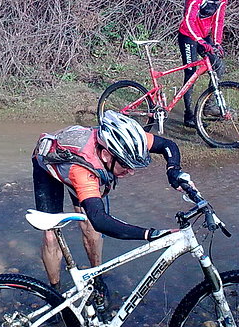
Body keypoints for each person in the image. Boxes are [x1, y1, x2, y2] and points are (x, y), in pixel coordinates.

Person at [32, 110, 193, 299]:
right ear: (108, 155)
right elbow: (101, 220)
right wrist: (149, 234)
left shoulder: (127, 141)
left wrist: (173, 170)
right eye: (126, 165)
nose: (131, 172)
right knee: (51, 236)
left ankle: (97, 278)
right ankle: (54, 293)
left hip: (83, 161)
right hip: (49, 166)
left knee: (91, 231)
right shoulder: (83, 172)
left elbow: (168, 145)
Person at [177, 0, 239, 127]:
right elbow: (188, 20)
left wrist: (217, 43)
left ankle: (209, 106)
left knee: (218, 66)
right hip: (188, 35)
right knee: (191, 73)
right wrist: (199, 40)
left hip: (203, 36)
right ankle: (188, 115)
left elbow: (218, 21)